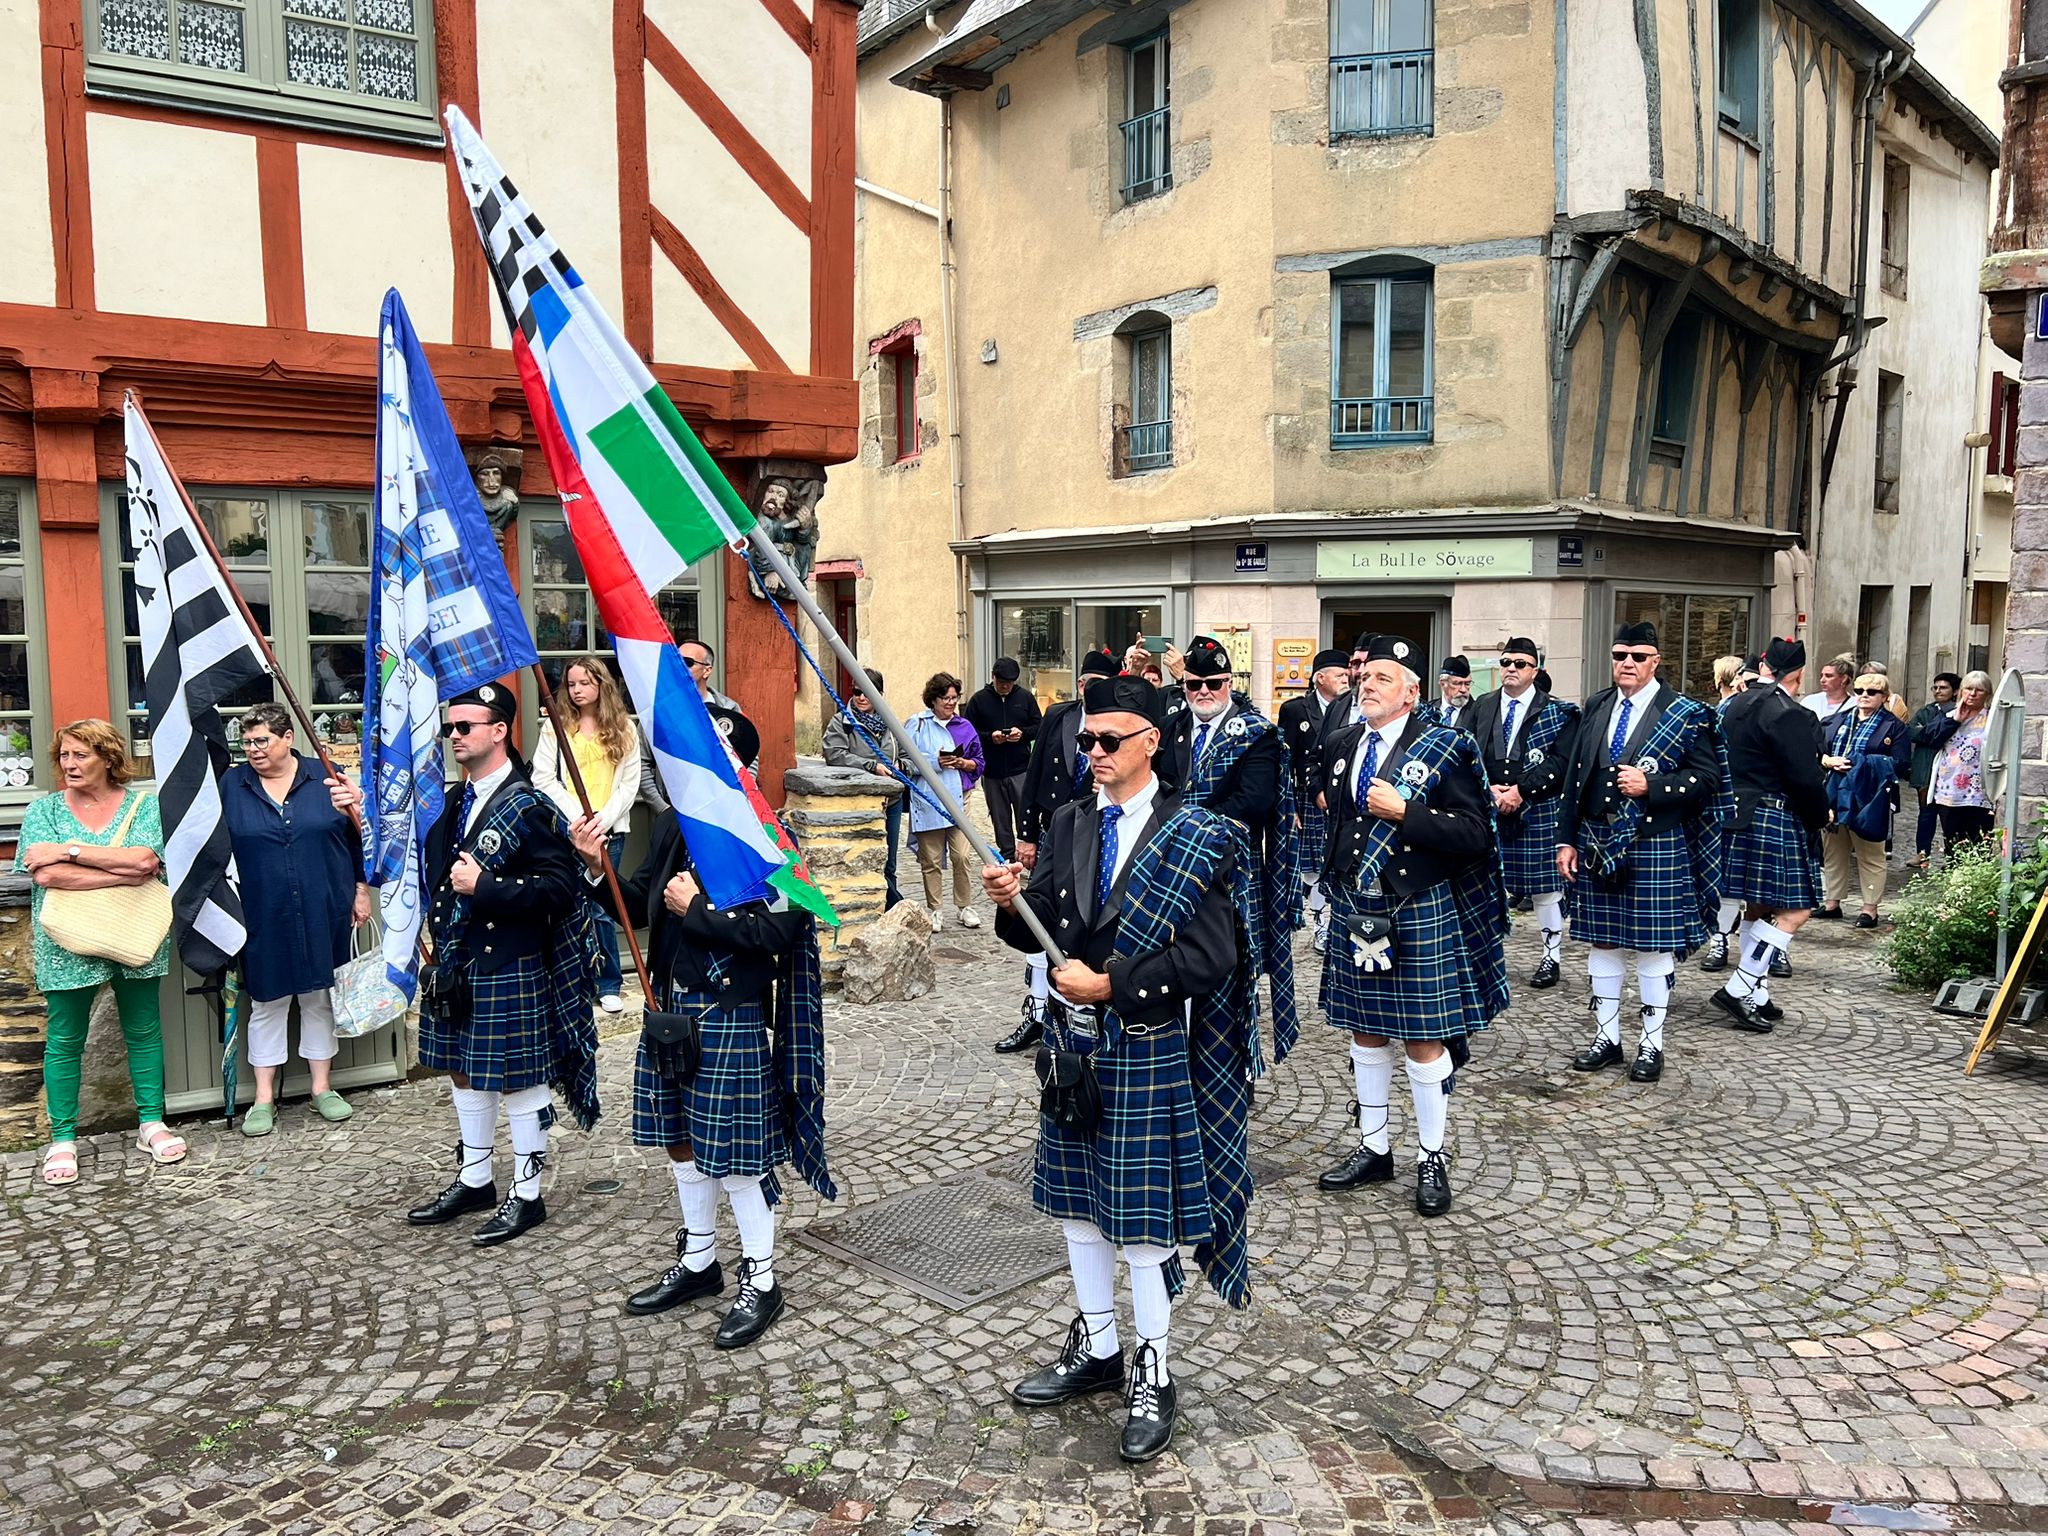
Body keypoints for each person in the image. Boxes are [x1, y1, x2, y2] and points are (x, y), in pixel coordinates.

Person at [981, 672, 1260, 1464]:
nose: (1094, 752)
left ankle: (1154, 1368)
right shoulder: (1072, 821)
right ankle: (1100, 1348)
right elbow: (1040, 931)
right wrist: (1010, 903)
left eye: (1109, 740)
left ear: (1151, 743)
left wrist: (1113, 985)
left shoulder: (1194, 831)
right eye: (1086, 739)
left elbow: (1211, 957)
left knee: (1141, 1221)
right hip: (1072, 1048)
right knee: (1077, 1208)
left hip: (1145, 1043)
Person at [571, 800, 831, 1348]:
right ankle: (699, 1261)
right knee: (680, 1140)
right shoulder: (673, 822)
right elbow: (641, 906)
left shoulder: (763, 831)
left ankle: (762, 1281)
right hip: (671, 1011)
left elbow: (778, 930)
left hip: (729, 1013)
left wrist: (698, 908)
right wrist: (598, 868)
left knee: (737, 1152)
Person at [1314, 634, 1506, 1214]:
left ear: (1412, 692)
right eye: (1364, 676)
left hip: (1417, 904)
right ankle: (1375, 1148)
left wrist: (1407, 812)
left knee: (1423, 1037)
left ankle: (1431, 1155)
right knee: (1364, 1031)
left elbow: (1475, 833)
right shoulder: (1342, 742)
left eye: (1383, 678)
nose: (1367, 685)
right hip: (1357, 905)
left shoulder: (1445, 746)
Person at [405, 683, 600, 1246]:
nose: (454, 736)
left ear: (499, 731)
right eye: (450, 727)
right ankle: (475, 1181)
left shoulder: (530, 806)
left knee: (519, 1080)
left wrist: (486, 887)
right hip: (457, 960)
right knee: (461, 1069)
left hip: (509, 962)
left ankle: (528, 1194)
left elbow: (561, 889)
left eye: (465, 727)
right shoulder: (453, 800)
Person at [1556, 623, 1726, 1083]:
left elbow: (1707, 778)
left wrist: (1654, 785)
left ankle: (1652, 1044)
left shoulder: (1684, 713)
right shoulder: (1597, 705)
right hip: (1596, 838)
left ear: (1655, 661)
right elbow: (1575, 778)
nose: (1627, 663)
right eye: (1619, 655)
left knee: (1654, 945)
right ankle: (1606, 1038)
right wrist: (1566, 838)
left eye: (1637, 656)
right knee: (1603, 940)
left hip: (1654, 841)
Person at [18, 721, 184, 1184]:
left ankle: (151, 1123)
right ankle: (63, 1139)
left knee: (143, 1029)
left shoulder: (143, 806)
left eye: (81, 755)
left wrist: (68, 850)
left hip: (133, 932)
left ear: (109, 759)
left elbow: (147, 861)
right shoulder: (44, 809)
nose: (69, 764)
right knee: (65, 1038)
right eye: (64, 755)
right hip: (65, 939)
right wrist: (119, 871)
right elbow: (45, 876)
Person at [222, 703, 370, 1135]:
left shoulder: (325, 776)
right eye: (247, 742)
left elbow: (358, 837)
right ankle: (263, 1098)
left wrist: (361, 890)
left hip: (325, 903)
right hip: (261, 909)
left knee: (319, 997)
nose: (253, 749)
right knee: (267, 1001)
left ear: (288, 738)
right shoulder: (232, 785)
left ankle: (322, 1088)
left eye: (261, 740)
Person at [1163, 635, 1300, 1058]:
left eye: (1214, 683)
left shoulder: (1256, 734)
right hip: (1171, 868)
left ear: (1229, 683)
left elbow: (1252, 803)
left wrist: (1185, 824)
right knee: (1171, 962)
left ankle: (1228, 1066)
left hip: (1232, 873)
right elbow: (1158, 788)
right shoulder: (1170, 729)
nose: (1203, 692)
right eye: (1194, 684)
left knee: (1228, 971)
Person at [1704, 639, 1827, 1031]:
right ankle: (1738, 988)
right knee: (1796, 910)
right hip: (1771, 815)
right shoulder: (1788, 712)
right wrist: (1818, 815)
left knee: (1757, 909)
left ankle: (1756, 994)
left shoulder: (1730, 705)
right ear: (1799, 674)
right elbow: (1804, 777)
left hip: (1732, 816)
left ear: (1763, 666)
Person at [1003, 651, 1121, 1052]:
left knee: (1080, 924)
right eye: (1085, 681)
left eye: (1098, 683)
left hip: (1098, 834)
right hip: (1054, 832)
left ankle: (1076, 1011)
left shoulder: (1119, 726)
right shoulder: (1059, 715)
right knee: (1041, 914)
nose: (1088, 689)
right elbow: (1035, 771)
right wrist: (1026, 835)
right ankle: (1036, 1011)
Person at [1464, 638, 1580, 988]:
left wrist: (1520, 791)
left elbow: (1562, 761)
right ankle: (1486, 956)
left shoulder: (1558, 712)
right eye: (1506, 662)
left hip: (1537, 807)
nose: (1511, 669)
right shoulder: (1482, 705)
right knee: (1486, 885)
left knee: (1545, 890)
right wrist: (1488, 789)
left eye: (1520, 663)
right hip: (1488, 806)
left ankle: (1550, 958)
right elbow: (1466, 750)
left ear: (1535, 670)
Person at [531, 657, 642, 1014]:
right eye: (572, 684)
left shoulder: (624, 728)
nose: (577, 690)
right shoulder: (557, 726)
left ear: (601, 685)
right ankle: (569, 979)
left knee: (603, 907)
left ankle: (608, 982)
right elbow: (542, 777)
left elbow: (629, 785)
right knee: (565, 903)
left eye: (585, 683)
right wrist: (578, 817)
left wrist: (603, 820)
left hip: (608, 831)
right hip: (570, 830)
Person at [1816, 672, 1913, 928]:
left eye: (1872, 692)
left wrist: (1860, 763)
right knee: (1833, 850)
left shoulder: (1894, 727)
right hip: (1834, 792)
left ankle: (1870, 909)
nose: (1864, 696)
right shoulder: (1836, 721)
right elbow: (1818, 752)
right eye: (1859, 691)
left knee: (1870, 852)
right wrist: (1827, 761)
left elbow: (1902, 764)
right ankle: (1832, 903)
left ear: (1884, 696)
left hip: (1870, 796)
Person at [1278, 649, 1350, 952]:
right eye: (1339, 674)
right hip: (1308, 798)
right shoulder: (1296, 710)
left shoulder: (1352, 707)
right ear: (1320, 678)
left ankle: (1332, 924)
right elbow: (1284, 761)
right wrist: (1289, 807)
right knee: (1312, 868)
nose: (1346, 678)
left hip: (1342, 799)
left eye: (1347, 674)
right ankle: (1319, 922)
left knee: (1335, 862)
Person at [902, 673, 985, 931]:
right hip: (929, 799)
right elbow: (905, 762)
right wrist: (935, 762)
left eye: (954, 698)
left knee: (962, 855)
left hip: (960, 797)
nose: (951, 703)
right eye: (945, 698)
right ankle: (935, 909)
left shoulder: (965, 727)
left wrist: (965, 763)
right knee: (931, 859)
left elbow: (979, 762)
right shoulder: (917, 725)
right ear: (933, 699)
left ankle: (964, 906)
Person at [822, 668, 903, 908]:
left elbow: (909, 755)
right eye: (857, 692)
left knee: (889, 862)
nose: (861, 697)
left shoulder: (891, 723)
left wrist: (901, 766)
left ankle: (890, 910)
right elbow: (834, 754)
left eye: (867, 692)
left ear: (879, 694)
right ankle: (880, 906)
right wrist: (871, 766)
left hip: (891, 800)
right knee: (864, 859)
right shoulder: (842, 722)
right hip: (860, 802)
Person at [964, 658, 1042, 862]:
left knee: (1026, 814)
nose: (1005, 686)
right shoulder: (978, 700)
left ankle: (1031, 855)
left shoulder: (1025, 698)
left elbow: (1039, 727)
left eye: (1009, 683)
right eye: (1001, 682)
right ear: (993, 677)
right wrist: (990, 737)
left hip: (1020, 769)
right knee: (1000, 819)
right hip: (992, 771)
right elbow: (968, 733)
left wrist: (1022, 734)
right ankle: (1007, 857)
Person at [1920, 670, 1995, 853]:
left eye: (1979, 690)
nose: (1973, 694)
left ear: (1987, 694)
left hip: (1979, 791)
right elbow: (1930, 739)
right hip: (1949, 789)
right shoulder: (1949, 716)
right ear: (1961, 691)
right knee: (1953, 841)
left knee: (1978, 842)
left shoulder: (1992, 720)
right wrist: (1954, 721)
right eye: (1968, 689)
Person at [677, 636, 757, 773]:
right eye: (675, 661)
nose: (679, 666)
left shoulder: (729, 708)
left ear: (707, 670)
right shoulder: (660, 709)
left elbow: (749, 753)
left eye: (687, 662)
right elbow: (644, 760)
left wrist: (744, 786)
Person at [1906, 674, 1961, 869]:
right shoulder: (1926, 711)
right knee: (1926, 813)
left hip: (1950, 770)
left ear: (1955, 691)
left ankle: (1953, 857)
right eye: (1935, 687)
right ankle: (1922, 853)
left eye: (1943, 687)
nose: (1938, 691)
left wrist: (1928, 731)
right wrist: (1933, 732)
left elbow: (1946, 736)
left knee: (1950, 816)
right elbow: (1912, 732)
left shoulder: (1959, 712)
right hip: (1925, 768)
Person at [1801, 655, 1855, 720]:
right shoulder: (1809, 701)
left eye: (1828, 676)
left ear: (1844, 678)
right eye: (1821, 676)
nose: (1822, 680)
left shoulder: (1855, 704)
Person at [1433, 655, 1473, 730]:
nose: (1463, 690)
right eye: (1457, 683)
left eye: (1467, 684)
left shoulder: (1478, 712)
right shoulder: (1430, 709)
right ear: (1443, 684)